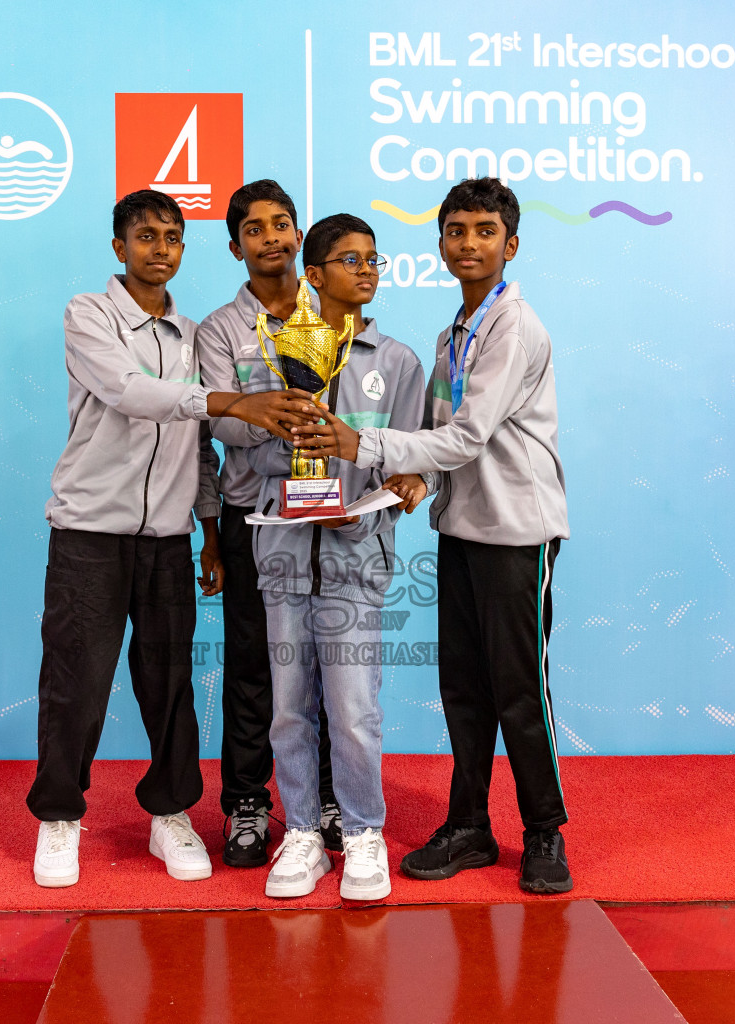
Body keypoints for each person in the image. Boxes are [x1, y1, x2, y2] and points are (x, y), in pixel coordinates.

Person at [29, 189, 321, 889]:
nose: (160, 249)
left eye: (172, 238)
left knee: (169, 685)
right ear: (119, 247)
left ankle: (170, 813)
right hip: (89, 532)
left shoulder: (192, 335)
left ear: (185, 250)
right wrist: (230, 401)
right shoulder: (89, 314)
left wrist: (209, 532)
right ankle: (60, 816)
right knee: (76, 682)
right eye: (146, 237)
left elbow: (197, 447)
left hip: (167, 538)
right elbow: (129, 392)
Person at [289, 178, 574, 894]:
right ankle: (470, 825)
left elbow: (468, 435)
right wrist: (415, 480)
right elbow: (444, 442)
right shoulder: (454, 334)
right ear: (440, 243)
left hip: (517, 532)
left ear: (511, 245)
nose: (468, 243)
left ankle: (544, 830)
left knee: (519, 690)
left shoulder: (514, 327)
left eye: (485, 231)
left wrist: (365, 447)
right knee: (464, 689)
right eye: (455, 230)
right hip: (462, 528)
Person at [248, 213, 430, 900]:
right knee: (289, 709)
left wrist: (403, 486)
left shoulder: (398, 362)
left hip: (357, 557)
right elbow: (248, 452)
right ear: (314, 275)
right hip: (285, 555)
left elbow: (417, 455)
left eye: (373, 260)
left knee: (353, 711)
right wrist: (290, 453)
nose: (367, 271)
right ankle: (301, 832)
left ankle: (362, 833)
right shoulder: (273, 351)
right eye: (351, 260)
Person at [196, 180, 340, 869]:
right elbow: (219, 421)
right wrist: (275, 414)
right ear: (236, 247)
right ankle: (248, 801)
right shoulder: (219, 329)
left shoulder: (334, 314)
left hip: (326, 513)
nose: (271, 238)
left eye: (281, 224)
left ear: (298, 235)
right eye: (254, 229)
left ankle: (331, 798)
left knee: (328, 660)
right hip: (254, 514)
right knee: (254, 663)